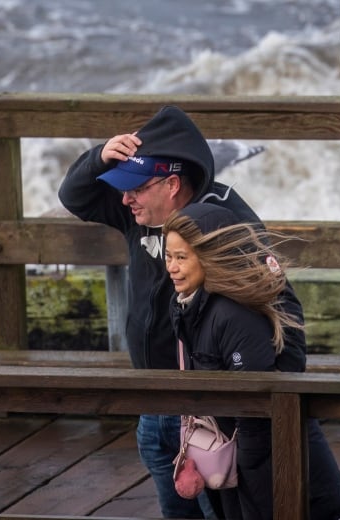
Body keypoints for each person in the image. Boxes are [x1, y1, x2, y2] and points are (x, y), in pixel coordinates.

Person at [57, 105, 306, 518]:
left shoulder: (225, 221)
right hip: (152, 398)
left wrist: (261, 414)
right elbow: (75, 197)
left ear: (172, 184)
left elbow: (279, 310)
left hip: (207, 410)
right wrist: (100, 155)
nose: (125, 199)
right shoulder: (138, 212)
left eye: (135, 187)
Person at [163, 202, 340, 520]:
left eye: (182, 257)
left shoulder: (232, 314)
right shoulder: (187, 305)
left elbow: (256, 409)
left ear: (210, 257)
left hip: (272, 465)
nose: (172, 267)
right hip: (237, 459)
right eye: (168, 256)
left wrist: (245, 480)